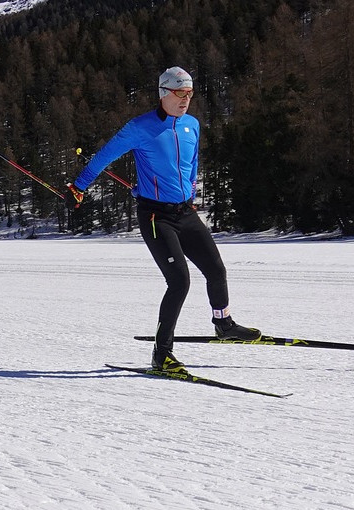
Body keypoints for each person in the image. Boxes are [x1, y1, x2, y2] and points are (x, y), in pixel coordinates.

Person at [64, 66, 261, 374]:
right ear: (164, 93)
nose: (186, 99)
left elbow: (192, 162)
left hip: (184, 211)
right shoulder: (139, 127)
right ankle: (162, 354)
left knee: (216, 269)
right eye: (180, 93)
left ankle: (223, 324)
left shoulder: (192, 125)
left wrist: (191, 193)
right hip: (156, 216)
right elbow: (104, 156)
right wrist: (79, 187)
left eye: (190, 93)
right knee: (179, 281)